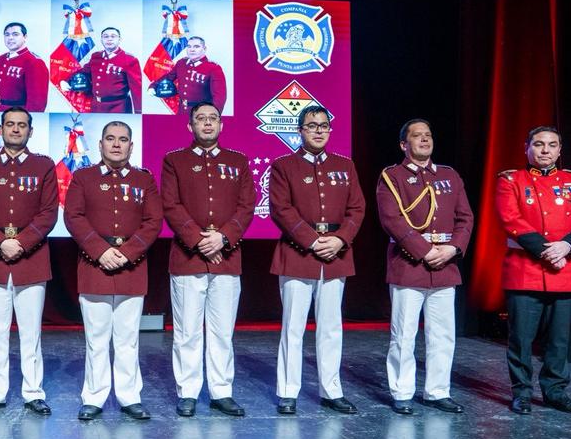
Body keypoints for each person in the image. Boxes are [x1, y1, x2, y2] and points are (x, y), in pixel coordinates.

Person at [269, 105, 365, 415]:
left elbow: (357, 209)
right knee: (293, 328)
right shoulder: (284, 166)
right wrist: (312, 241)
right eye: (312, 126)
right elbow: (281, 209)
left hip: (335, 255)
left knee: (331, 328)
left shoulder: (345, 165)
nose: (319, 130)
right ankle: (288, 392)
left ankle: (331, 391)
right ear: (300, 131)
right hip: (297, 255)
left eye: (324, 125)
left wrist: (339, 239)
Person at [162, 102, 255, 417]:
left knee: (222, 330)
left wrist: (223, 238)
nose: (207, 123)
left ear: (221, 125)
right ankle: (188, 392)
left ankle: (221, 391)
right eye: (200, 119)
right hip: (188, 258)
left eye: (213, 118)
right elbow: (171, 205)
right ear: (190, 126)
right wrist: (200, 241)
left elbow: (246, 206)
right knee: (187, 330)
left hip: (227, 257)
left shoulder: (238, 161)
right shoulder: (175, 160)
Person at [64, 120, 162, 420]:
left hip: (132, 267)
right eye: (110, 138)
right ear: (100, 144)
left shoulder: (144, 180)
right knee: (96, 339)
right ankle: (94, 397)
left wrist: (127, 253)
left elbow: (153, 222)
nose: (116, 144)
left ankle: (129, 397)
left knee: (128, 339)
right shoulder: (83, 177)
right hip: (95, 265)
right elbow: (73, 217)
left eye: (123, 139)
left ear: (131, 146)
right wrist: (101, 251)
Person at [376, 119, 473, 415]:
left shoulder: (448, 175)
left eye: (428, 135)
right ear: (403, 145)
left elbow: (465, 217)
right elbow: (392, 220)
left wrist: (453, 248)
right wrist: (425, 250)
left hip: (445, 263)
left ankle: (437, 391)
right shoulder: (392, 176)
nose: (424, 139)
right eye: (417, 136)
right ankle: (402, 392)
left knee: (443, 334)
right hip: (409, 265)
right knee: (404, 334)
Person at [0, 107, 58, 416]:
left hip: (31, 257)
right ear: (1, 128)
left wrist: (20, 243)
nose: (16, 129)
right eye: (10, 124)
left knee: (31, 332)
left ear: (31, 131)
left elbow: (49, 213)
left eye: (22, 125)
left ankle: (33, 392)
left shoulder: (44, 165)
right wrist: (0, 242)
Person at [495, 125, 571, 414]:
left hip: (565, 271)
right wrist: (549, 252)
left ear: (560, 150)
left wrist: (566, 246)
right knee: (521, 339)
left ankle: (555, 391)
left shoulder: (569, 180)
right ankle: (522, 392)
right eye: (538, 144)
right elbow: (510, 219)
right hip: (525, 271)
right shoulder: (511, 180)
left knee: (560, 340)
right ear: (526, 148)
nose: (545, 150)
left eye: (552, 145)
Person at [63, 27, 142, 113]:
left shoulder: (129, 59)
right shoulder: (96, 56)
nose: (109, 39)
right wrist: (67, 81)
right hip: (97, 106)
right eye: (106, 36)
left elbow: (137, 89)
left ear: (119, 39)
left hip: (119, 107)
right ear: (101, 40)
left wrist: (138, 112)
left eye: (113, 36)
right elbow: (84, 71)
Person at [149, 36, 226, 115]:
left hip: (201, 113)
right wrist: (154, 86)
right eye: (189, 46)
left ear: (204, 49)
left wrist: (212, 115)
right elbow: (168, 77)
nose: (192, 49)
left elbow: (219, 97)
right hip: (181, 111)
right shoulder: (181, 63)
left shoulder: (213, 68)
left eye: (196, 46)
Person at [0, 22, 49, 112]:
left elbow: (37, 103)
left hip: (19, 113)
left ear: (25, 37)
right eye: (7, 34)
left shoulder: (34, 62)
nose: (10, 38)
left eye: (15, 34)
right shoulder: (2, 58)